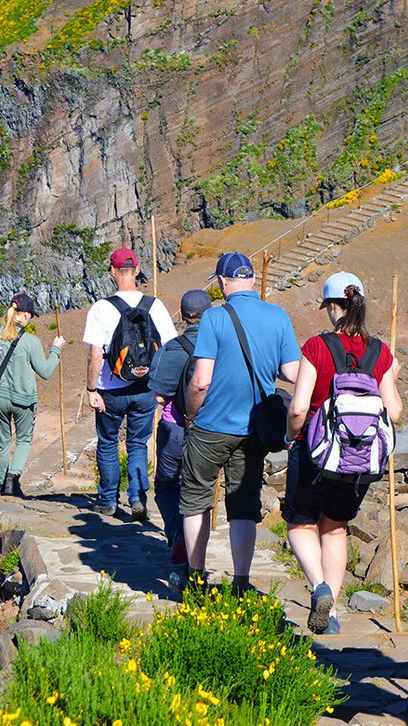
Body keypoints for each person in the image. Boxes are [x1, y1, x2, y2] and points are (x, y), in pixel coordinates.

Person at [285, 272, 402, 635]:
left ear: (334, 307)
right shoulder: (380, 351)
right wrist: (390, 375)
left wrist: (292, 436)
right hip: (360, 461)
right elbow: (394, 412)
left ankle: (320, 587)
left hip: (316, 453)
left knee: (301, 524)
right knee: (335, 529)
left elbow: (299, 408)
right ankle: (332, 615)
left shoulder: (317, 348)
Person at [179, 252, 300, 591]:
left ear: (222, 281)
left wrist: (190, 414)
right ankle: (242, 580)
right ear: (251, 280)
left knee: (196, 500)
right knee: (244, 506)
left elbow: (201, 381)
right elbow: (293, 372)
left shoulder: (215, 319)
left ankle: (195, 575)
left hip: (211, 427)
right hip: (254, 430)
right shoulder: (278, 317)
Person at [83, 247, 177, 520]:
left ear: (112, 272)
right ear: (136, 270)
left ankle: (108, 500)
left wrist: (91, 390)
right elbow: (168, 349)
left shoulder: (101, 308)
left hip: (110, 390)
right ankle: (137, 498)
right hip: (146, 388)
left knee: (109, 442)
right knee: (138, 443)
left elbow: (95, 353)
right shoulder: (155, 305)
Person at [0, 293, 65, 497]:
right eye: (30, 315)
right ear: (23, 316)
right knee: (23, 440)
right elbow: (45, 371)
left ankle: (1, 484)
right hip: (23, 400)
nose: (30, 318)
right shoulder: (31, 342)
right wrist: (56, 350)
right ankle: (12, 480)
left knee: (1, 443)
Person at [148, 288, 214, 566]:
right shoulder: (221, 347)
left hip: (175, 428)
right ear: (209, 313)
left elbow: (160, 396)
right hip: (211, 431)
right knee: (200, 491)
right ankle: (195, 548)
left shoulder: (171, 348)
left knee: (166, 486)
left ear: (183, 315)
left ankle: (177, 533)